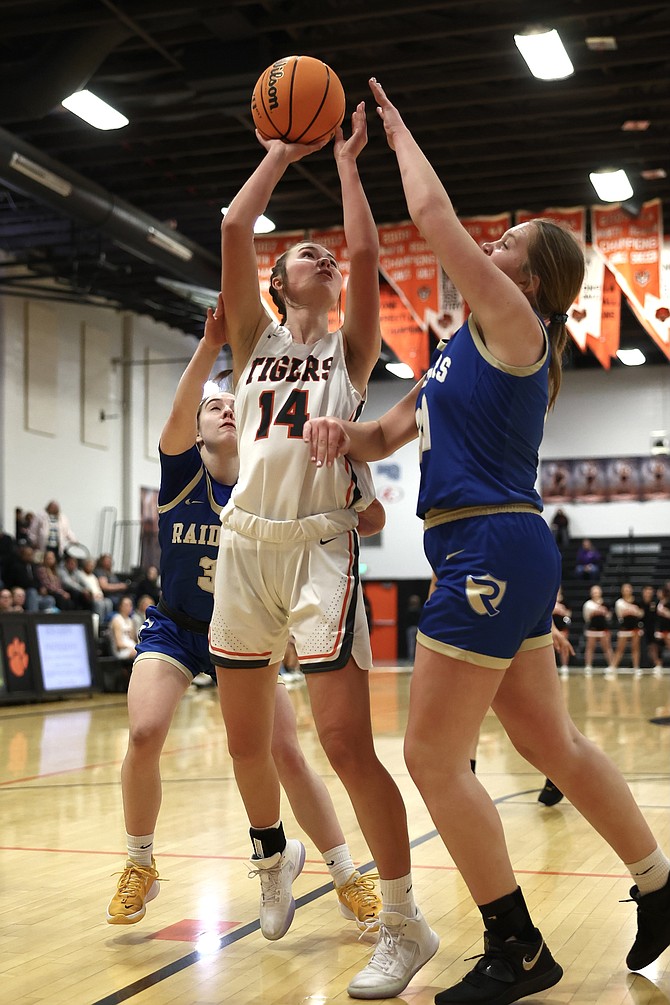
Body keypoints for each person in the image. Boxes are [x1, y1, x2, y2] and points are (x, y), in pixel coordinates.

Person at [303, 77, 670, 1005]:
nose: (487, 248)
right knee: (552, 740)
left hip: (489, 551)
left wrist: (395, 131)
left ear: (531, 278)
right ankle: (665, 881)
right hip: (499, 550)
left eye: (502, 245)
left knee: (431, 756)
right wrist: (334, 436)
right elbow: (388, 435)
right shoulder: (461, 345)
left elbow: (429, 214)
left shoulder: (518, 326)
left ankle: (516, 944)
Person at [209, 101, 437, 997]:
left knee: (346, 745)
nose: (327, 257)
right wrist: (278, 149)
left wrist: (346, 163)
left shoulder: (350, 349)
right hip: (242, 549)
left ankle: (405, 918)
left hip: (318, 553)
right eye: (308, 253)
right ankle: (274, 856)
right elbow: (234, 223)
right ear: (275, 282)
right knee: (244, 745)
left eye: (327, 255)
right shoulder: (248, 337)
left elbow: (373, 253)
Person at [107, 301, 381, 937]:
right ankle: (140, 863)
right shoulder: (181, 470)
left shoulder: (265, 478)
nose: (226, 409)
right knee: (144, 732)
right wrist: (211, 349)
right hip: (178, 626)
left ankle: (346, 875)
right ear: (198, 429)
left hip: (246, 630)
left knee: (282, 750)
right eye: (214, 407)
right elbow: (179, 416)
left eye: (232, 403)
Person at [609, 583, 644, 677]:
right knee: (619, 649)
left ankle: (636, 668)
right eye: (625, 589)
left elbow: (641, 614)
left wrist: (635, 611)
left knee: (635, 648)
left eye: (628, 589)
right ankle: (613, 668)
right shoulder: (619, 602)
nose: (627, 590)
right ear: (622, 591)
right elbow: (619, 616)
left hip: (635, 627)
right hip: (624, 627)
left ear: (631, 590)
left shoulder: (637, 602)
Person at [582, 584, 614, 675]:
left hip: (603, 629)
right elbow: (586, 617)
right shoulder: (588, 604)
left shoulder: (605, 604)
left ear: (600, 592)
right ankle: (588, 666)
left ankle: (611, 665)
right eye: (594, 592)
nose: (595, 593)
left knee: (607, 647)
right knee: (590, 648)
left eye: (597, 591)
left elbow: (609, 616)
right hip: (592, 629)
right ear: (591, 593)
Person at [108, 595, 138, 660]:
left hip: (131, 647)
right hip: (121, 650)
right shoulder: (116, 620)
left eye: (130, 605)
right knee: (139, 653)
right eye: (126, 605)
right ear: (120, 606)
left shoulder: (130, 620)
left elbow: (132, 639)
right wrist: (133, 647)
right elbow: (119, 644)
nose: (129, 607)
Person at [552, 587, 572, 675]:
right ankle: (552, 667)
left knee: (563, 646)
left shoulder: (565, 601)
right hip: (551, 628)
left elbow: (569, 614)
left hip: (562, 627)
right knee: (551, 648)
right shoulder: (550, 600)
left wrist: (561, 611)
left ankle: (564, 666)